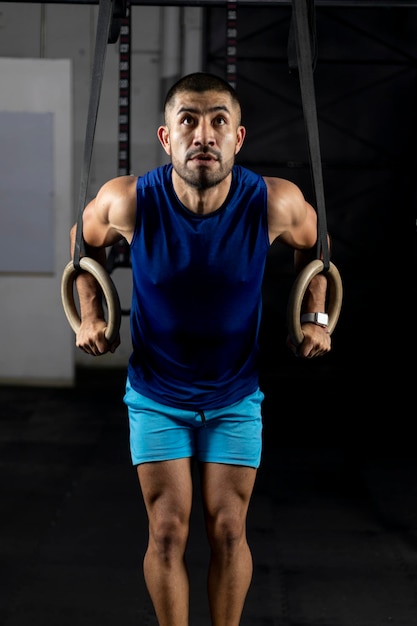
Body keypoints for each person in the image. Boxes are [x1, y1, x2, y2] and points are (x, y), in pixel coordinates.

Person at [69, 72, 331, 626]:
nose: (204, 134)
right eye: (188, 120)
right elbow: (82, 245)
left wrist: (316, 317)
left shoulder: (273, 204)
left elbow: (319, 251)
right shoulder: (130, 201)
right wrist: (90, 313)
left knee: (230, 528)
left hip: (235, 394)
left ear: (238, 138)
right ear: (167, 136)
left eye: (219, 121)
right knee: (166, 531)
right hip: (157, 395)